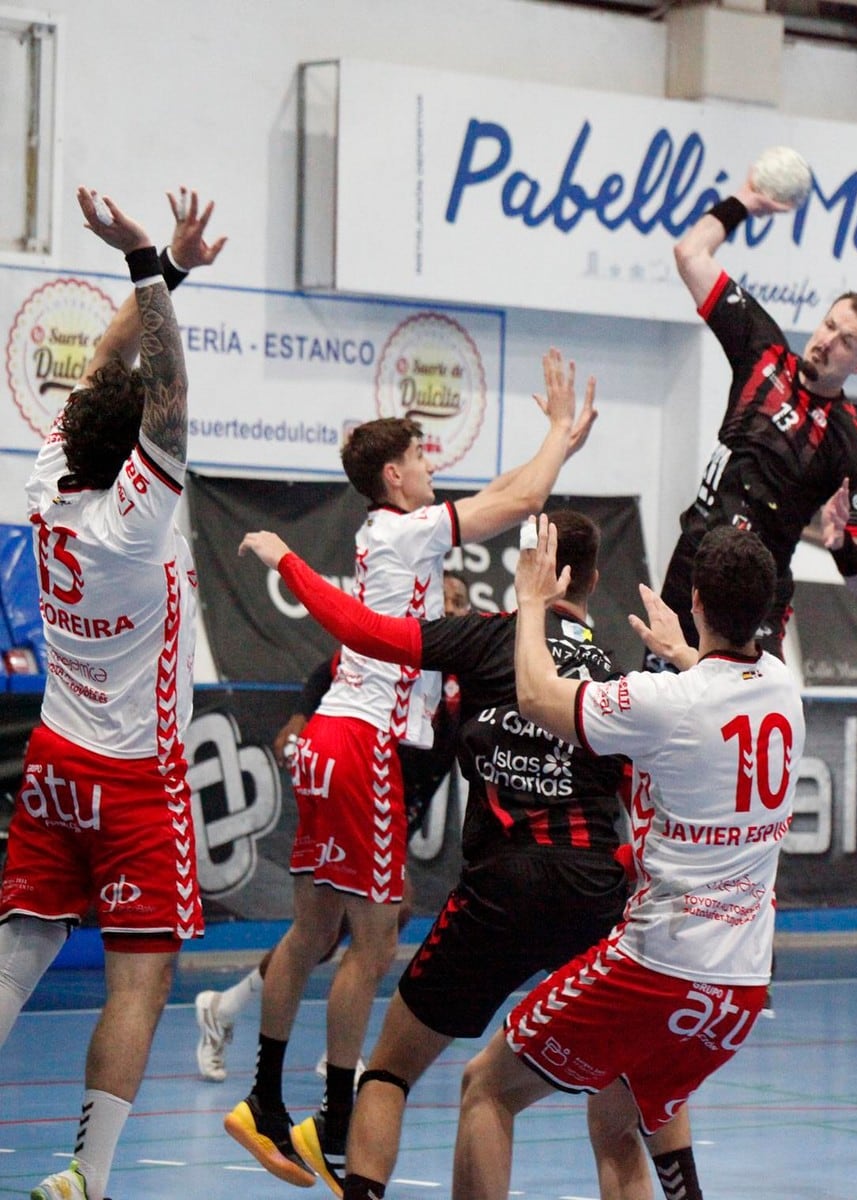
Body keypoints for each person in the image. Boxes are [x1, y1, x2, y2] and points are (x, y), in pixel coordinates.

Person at [237, 511, 707, 1200]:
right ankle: (686, 1189)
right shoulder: (612, 677)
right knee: (633, 1082)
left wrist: (287, 559)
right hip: (593, 896)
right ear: (594, 580)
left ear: (531, 570)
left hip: (499, 893)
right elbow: (653, 799)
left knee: (390, 1073)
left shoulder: (486, 638)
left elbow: (365, 632)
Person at [225, 351, 596, 1192]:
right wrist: (555, 436)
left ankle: (263, 1099)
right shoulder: (405, 525)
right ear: (396, 475)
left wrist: (552, 448)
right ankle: (335, 1114)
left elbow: (507, 489)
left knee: (314, 931)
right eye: (425, 458)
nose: (436, 469)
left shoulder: (381, 533)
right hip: (363, 744)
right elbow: (522, 500)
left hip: (328, 737)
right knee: (377, 941)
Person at [450, 518, 801, 1200]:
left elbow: (535, 696)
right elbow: (726, 689)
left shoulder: (666, 702)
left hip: (658, 966)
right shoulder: (784, 690)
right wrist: (687, 653)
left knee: (485, 1089)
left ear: (695, 600)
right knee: (615, 1117)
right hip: (741, 985)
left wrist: (527, 603)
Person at [0, 186, 225, 1200]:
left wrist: (162, 268)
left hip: (54, 758)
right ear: (136, 449)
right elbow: (163, 391)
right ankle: (86, 1176)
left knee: (22, 942)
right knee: (141, 977)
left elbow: (103, 368)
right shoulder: (138, 518)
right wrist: (146, 263)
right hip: (135, 777)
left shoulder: (50, 480)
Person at [193, 575, 469, 1084]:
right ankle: (333, 1061)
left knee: (335, 930)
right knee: (364, 931)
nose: (450, 609)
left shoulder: (460, 675)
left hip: (393, 807)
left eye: (459, 603)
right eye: (443, 601)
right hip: (358, 791)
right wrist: (300, 716)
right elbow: (330, 670)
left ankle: (227, 1008)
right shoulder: (398, 650)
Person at [658, 155, 857, 661]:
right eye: (828, 326)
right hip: (689, 573)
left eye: (846, 341)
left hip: (753, 607)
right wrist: (746, 202)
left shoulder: (848, 442)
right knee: (655, 731)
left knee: (736, 733)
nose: (827, 341)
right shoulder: (762, 349)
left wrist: (840, 545)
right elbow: (690, 253)